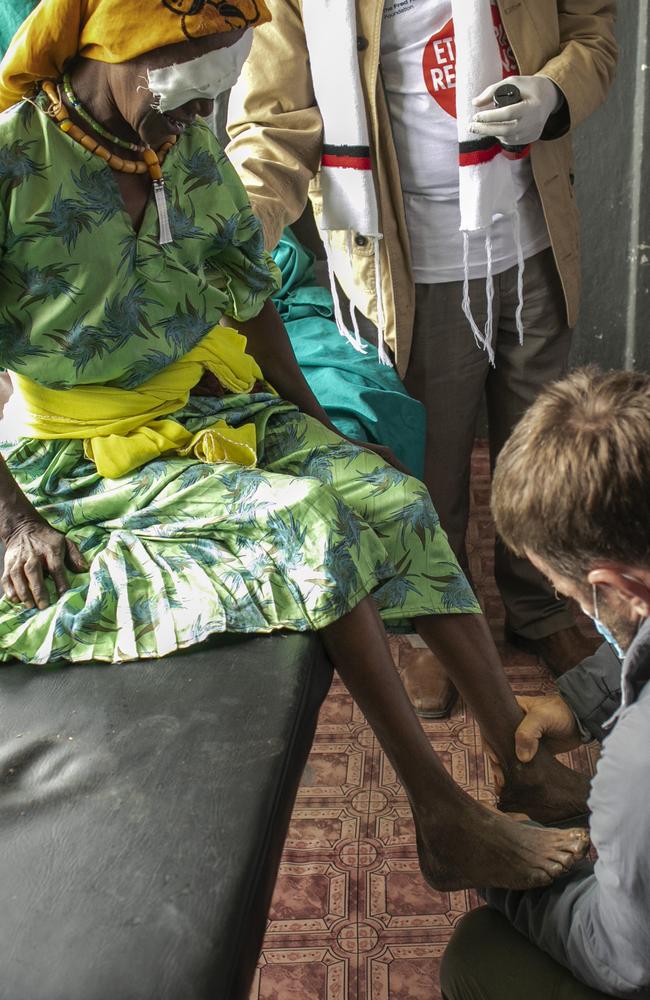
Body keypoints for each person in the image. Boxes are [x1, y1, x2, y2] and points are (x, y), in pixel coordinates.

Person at [0, 0, 589, 891]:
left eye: (205, 99)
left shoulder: (182, 153)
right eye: (176, 92)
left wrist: (312, 421)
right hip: (80, 459)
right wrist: (14, 522)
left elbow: (250, 295)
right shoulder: (15, 165)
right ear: (119, 45)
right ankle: (440, 813)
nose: (191, 119)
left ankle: (517, 759)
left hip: (193, 415)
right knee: (314, 521)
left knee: (395, 493)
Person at [225, 0, 618, 705]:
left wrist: (555, 94)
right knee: (426, 467)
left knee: (541, 450)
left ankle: (539, 607)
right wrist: (241, 222)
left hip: (532, 237)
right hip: (406, 266)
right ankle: (428, 626)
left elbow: (591, 32)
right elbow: (269, 121)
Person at [441, 368, 650, 998]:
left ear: (615, 587)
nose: (574, 609)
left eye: (567, 595)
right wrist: (580, 703)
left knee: (477, 958)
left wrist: (499, 869)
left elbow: (625, 961)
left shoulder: (637, 767)